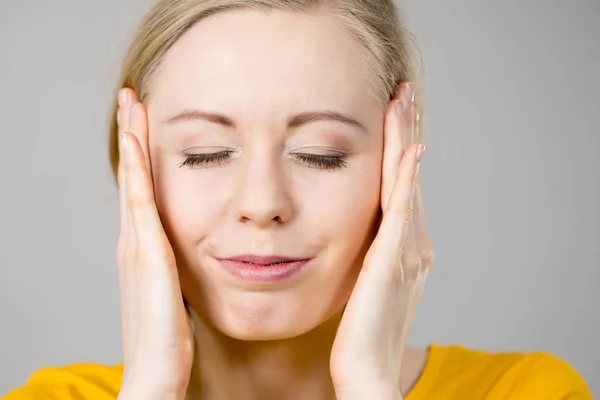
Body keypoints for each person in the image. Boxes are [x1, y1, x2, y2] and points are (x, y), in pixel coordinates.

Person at [3, 0, 593, 399]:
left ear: (399, 165)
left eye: (320, 154)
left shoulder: (526, 391)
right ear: (131, 167)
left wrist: (368, 385)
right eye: (206, 153)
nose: (263, 203)